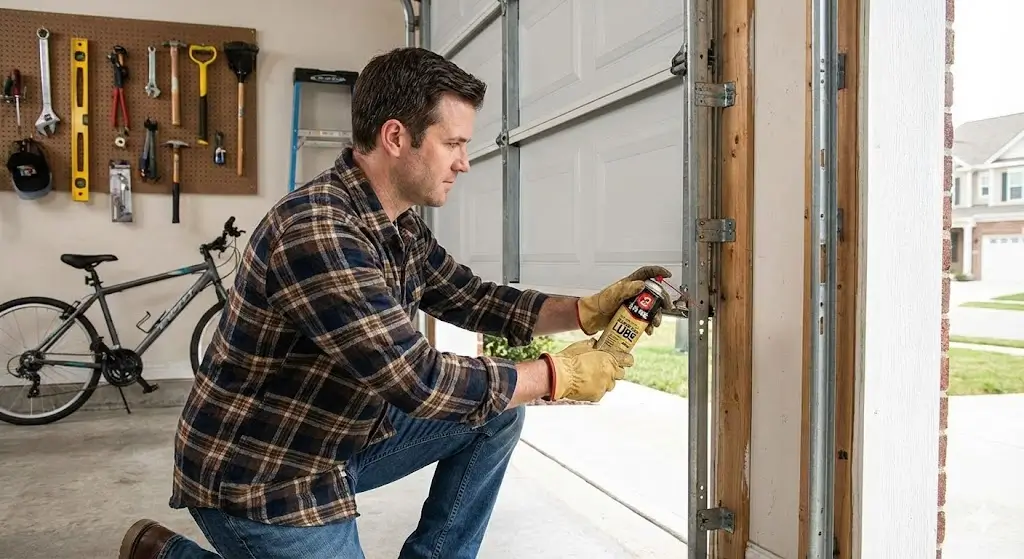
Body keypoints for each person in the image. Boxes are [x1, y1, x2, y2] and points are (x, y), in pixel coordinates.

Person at [118, 47, 673, 559]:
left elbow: (471, 297)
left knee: (495, 418)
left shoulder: (397, 224)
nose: (465, 162)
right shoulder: (319, 232)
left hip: (339, 438)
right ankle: (168, 554)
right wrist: (556, 374)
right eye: (453, 143)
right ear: (396, 137)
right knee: (495, 396)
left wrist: (584, 310)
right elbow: (419, 380)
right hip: (264, 474)